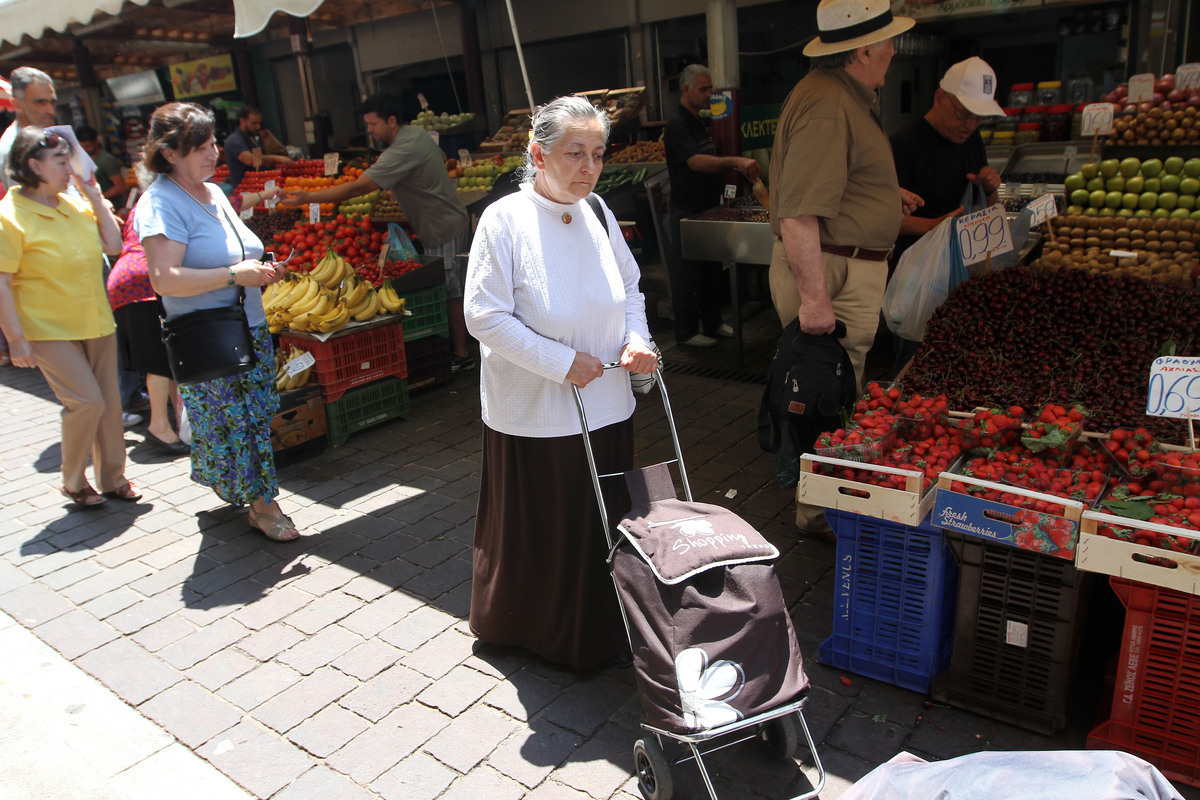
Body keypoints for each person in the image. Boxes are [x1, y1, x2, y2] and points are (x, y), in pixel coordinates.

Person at [464, 95, 658, 671]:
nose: (588, 168)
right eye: (574, 153)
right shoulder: (504, 220)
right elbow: (484, 315)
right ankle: (535, 632)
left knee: (602, 522)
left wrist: (637, 339)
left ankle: (601, 624)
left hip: (607, 400)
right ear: (537, 154)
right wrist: (559, 360)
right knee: (549, 528)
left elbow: (632, 290)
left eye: (597, 154)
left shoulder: (598, 211)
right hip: (538, 410)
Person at [768, 0, 921, 539]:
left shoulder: (843, 97)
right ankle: (822, 514)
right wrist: (815, 300)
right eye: (887, 43)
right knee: (826, 396)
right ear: (861, 51)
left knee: (829, 392)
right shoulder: (831, 104)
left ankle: (826, 501)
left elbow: (830, 181)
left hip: (837, 263)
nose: (893, 52)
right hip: (830, 271)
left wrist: (879, 197)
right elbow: (798, 210)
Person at [135, 102, 299, 542]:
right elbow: (163, 278)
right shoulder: (160, 203)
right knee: (239, 422)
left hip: (247, 326)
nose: (213, 154)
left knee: (254, 417)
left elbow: (232, 256)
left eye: (212, 144)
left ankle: (235, 485)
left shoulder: (215, 193)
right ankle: (264, 507)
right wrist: (233, 275)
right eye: (201, 147)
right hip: (207, 334)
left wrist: (259, 269)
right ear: (170, 153)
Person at [280, 94, 474, 373]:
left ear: (391, 121)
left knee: (450, 291)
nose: (369, 130)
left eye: (373, 124)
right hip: (441, 220)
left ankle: (461, 354)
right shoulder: (416, 135)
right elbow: (441, 157)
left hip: (441, 225)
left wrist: (307, 197)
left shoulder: (401, 150)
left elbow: (357, 189)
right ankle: (457, 349)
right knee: (448, 288)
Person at [0, 126, 140, 508]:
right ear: (34, 165)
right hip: (47, 329)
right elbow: (2, 281)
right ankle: (74, 479)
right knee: (86, 402)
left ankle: (113, 478)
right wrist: (15, 339)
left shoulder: (74, 201)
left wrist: (94, 195)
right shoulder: (9, 216)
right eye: (61, 162)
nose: (70, 168)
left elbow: (113, 245)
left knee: (110, 404)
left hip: (95, 319)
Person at [888, 56, 1006, 375]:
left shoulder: (971, 141)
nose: (970, 125)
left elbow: (982, 202)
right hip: (917, 277)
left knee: (959, 365)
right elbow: (884, 221)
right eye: (964, 114)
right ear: (940, 98)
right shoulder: (903, 145)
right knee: (915, 363)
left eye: (979, 119)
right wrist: (937, 226)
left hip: (962, 274)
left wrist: (990, 187)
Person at [663, 63, 762, 348]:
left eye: (710, 89)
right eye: (703, 89)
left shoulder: (699, 121)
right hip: (687, 210)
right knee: (688, 275)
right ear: (686, 90)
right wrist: (735, 161)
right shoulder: (678, 125)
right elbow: (695, 162)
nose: (709, 94)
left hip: (707, 206)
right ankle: (686, 332)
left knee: (710, 272)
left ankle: (713, 323)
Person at [0, 67, 57, 366]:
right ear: (17, 104)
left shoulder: (45, 137)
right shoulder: (15, 148)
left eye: (51, 101)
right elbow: (29, 209)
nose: (49, 109)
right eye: (40, 102)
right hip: (47, 269)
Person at [223, 106, 293, 191]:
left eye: (259, 123)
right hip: (244, 191)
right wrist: (275, 158)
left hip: (257, 187)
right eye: (254, 123)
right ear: (242, 121)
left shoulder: (253, 138)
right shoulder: (235, 140)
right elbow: (250, 160)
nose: (258, 126)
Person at [75, 125, 128, 209]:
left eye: (88, 146)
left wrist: (99, 198)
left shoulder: (106, 160)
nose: (85, 149)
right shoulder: (80, 159)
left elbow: (120, 188)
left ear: (96, 141)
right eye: (82, 146)